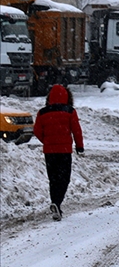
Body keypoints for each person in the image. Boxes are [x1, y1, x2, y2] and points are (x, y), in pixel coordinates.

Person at [33, 84, 84, 221]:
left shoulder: (42, 112)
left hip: (49, 152)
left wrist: (47, 141)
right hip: (64, 151)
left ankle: (55, 202)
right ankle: (57, 202)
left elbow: (37, 131)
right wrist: (79, 147)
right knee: (64, 178)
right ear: (67, 97)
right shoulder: (69, 111)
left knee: (53, 179)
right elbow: (76, 130)